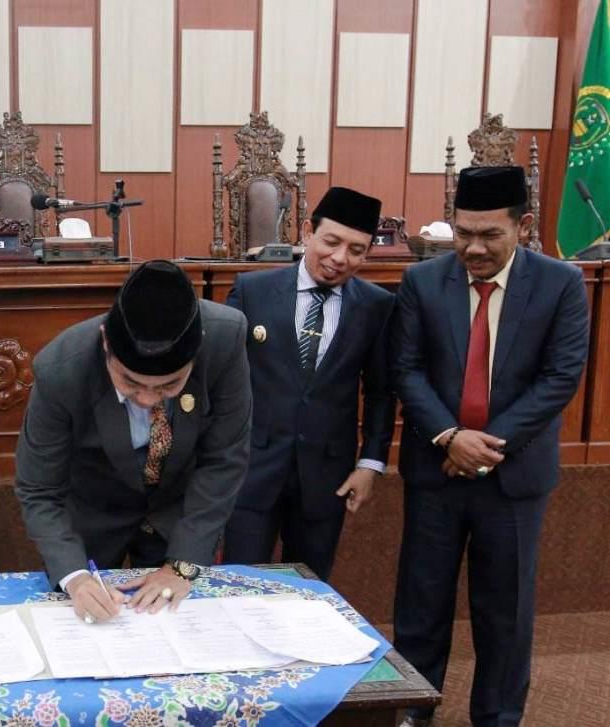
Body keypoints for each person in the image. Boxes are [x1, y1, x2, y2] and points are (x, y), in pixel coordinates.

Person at [391, 166, 590, 727]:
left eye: (489, 235)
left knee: (506, 608)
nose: (473, 248)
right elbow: (406, 369)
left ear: (523, 227)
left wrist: (484, 446)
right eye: (463, 233)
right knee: (421, 601)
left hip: (514, 476)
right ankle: (412, 709)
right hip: (436, 470)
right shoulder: (422, 282)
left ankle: (499, 716)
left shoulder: (560, 283)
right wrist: (450, 437)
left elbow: (560, 376)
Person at [15, 260, 252, 625]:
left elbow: (224, 459)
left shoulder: (226, 337)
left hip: (179, 514)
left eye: (169, 385)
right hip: (93, 512)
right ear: (106, 342)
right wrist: (75, 577)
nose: (147, 399)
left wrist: (182, 565)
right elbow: (39, 488)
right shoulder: (61, 368)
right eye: (130, 383)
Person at [223, 187, 396, 581]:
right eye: (331, 242)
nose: (340, 258)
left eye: (356, 250)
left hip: (326, 476)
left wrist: (370, 464)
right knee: (238, 583)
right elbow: (222, 376)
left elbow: (381, 392)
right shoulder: (252, 291)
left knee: (310, 589)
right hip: (252, 470)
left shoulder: (377, 306)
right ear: (307, 231)